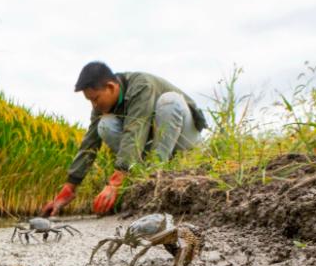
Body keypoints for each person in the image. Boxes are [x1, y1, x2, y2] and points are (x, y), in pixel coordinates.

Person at [42, 61, 207, 216]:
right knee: (104, 124)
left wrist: (115, 182)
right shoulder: (101, 106)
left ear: (111, 87)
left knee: (169, 101)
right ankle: (141, 176)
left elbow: (134, 130)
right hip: (153, 144)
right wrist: (69, 188)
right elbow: (90, 143)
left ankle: (156, 175)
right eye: (90, 101)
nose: (94, 105)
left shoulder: (141, 85)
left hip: (185, 139)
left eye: (95, 98)